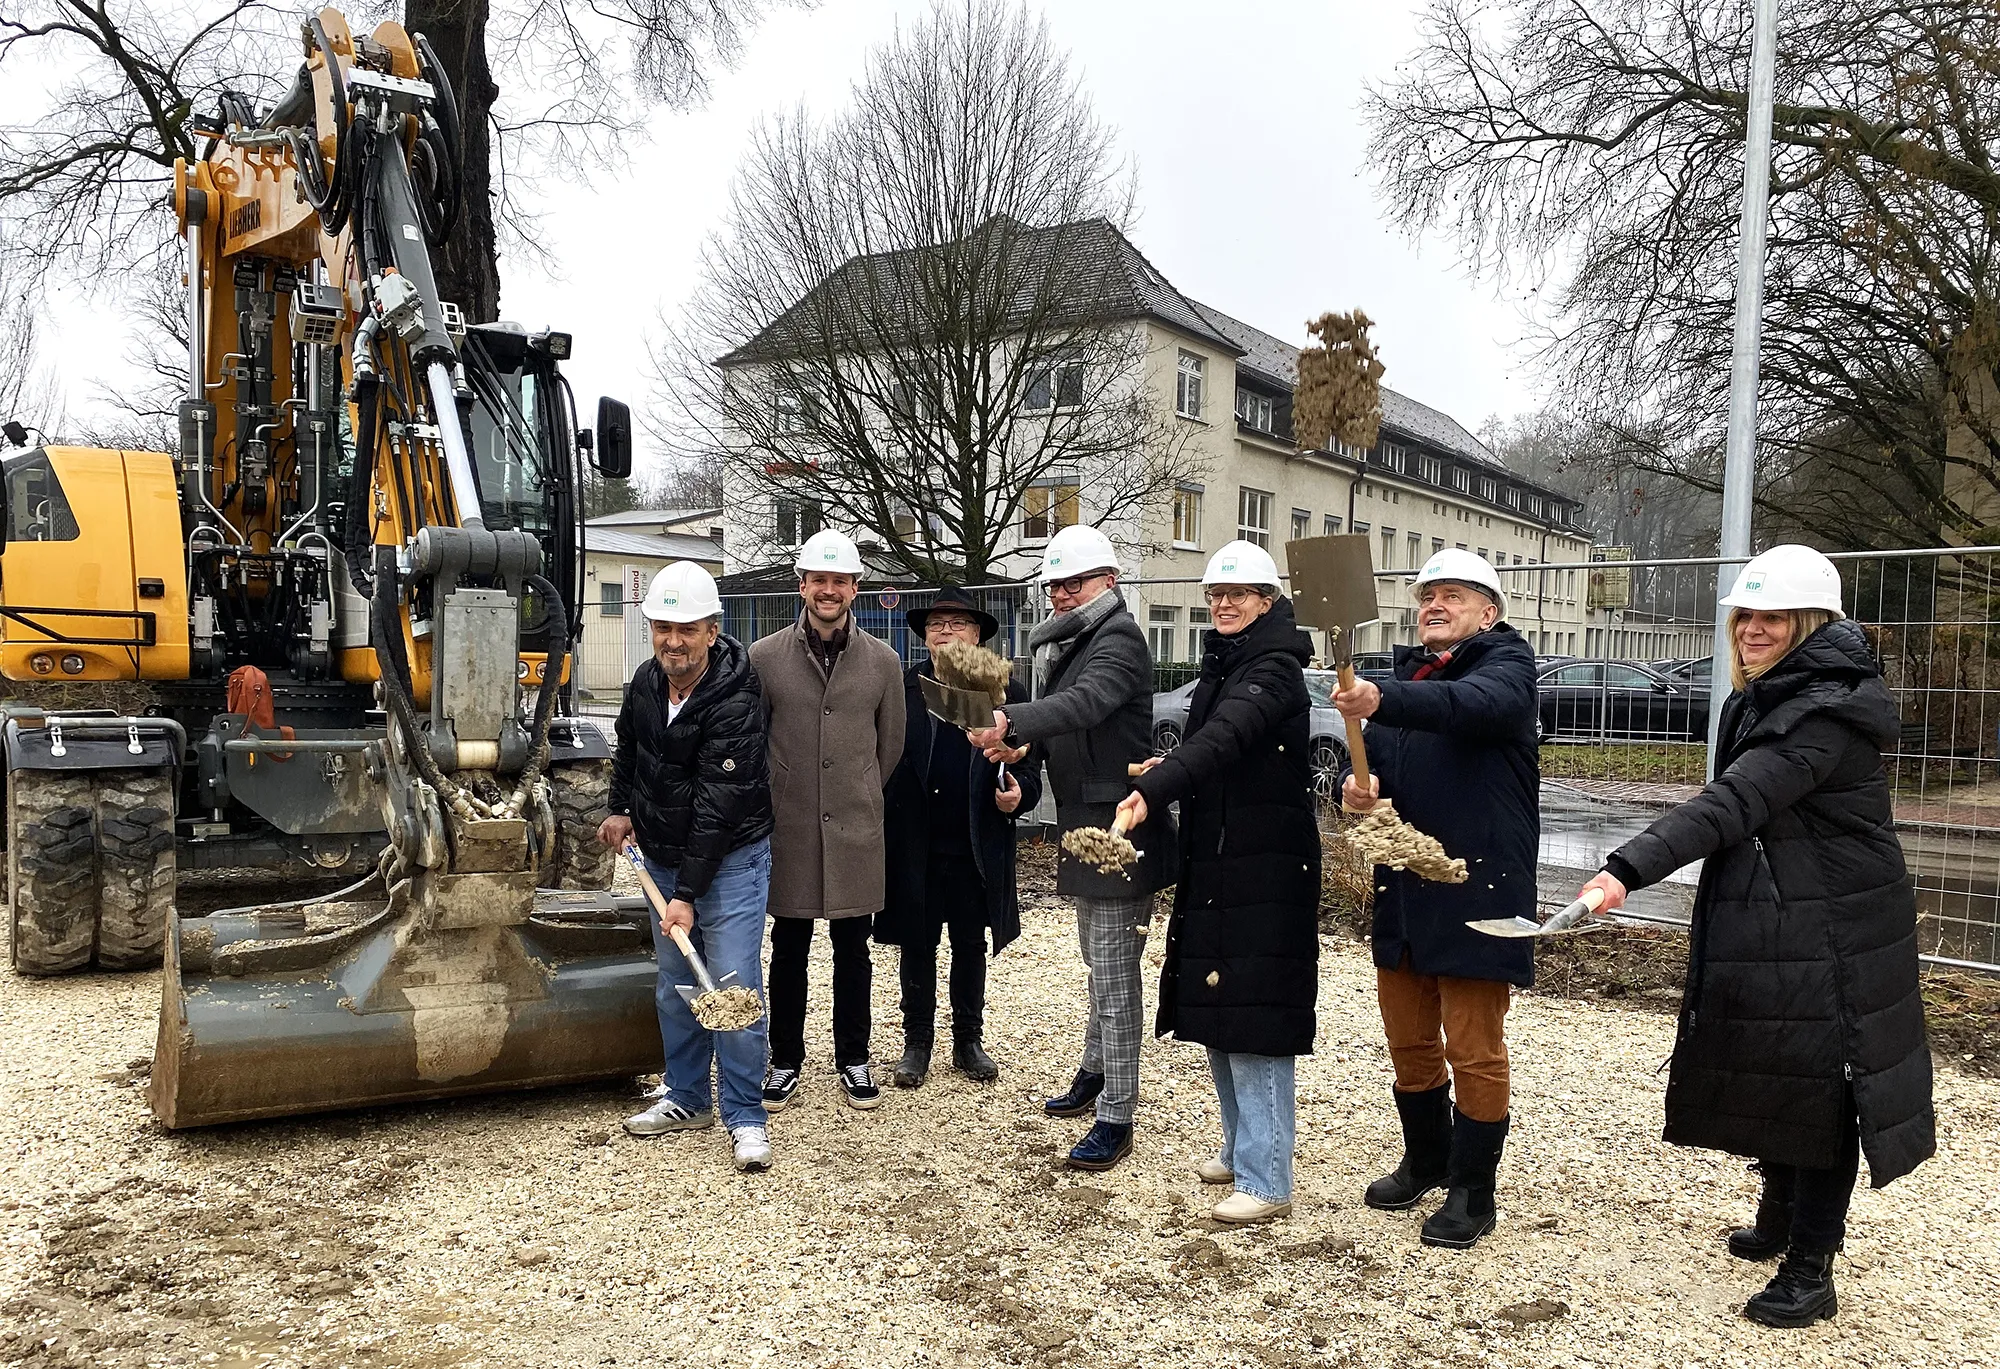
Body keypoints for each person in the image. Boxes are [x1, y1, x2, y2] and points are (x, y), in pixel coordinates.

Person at [1574, 544, 1934, 1329]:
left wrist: (1623, 870)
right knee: (1779, 1064)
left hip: (1840, 925)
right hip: (1789, 914)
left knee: (1825, 1087)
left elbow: (1732, 802)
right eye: (1747, 617)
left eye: (1773, 617)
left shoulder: (1824, 713)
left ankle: (1812, 1265)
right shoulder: (1773, 696)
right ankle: (1779, 1218)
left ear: (1809, 624)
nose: (1754, 631)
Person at [1332, 548, 1538, 1249]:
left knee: (1474, 1047)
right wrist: (1358, 793)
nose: (1434, 605)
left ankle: (1473, 1190)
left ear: (1490, 611)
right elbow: (1376, 780)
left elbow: (1469, 706)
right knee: (1409, 1038)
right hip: (1406, 883)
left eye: (1453, 594)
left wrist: (1383, 697)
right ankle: (1425, 1158)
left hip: (1480, 885)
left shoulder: (1507, 669)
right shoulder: (1403, 682)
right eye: (1427, 596)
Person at [1115, 542, 1320, 1224]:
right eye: (1216, 594)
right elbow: (1210, 746)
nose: (1224, 603)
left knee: (1258, 1016)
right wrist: (1165, 764)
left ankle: (1268, 1179)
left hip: (1266, 863)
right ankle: (1239, 1148)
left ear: (1267, 600)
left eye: (1240, 593)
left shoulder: (1275, 669)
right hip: (1225, 858)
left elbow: (1226, 738)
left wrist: (1162, 783)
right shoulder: (1226, 664)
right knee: (1220, 1005)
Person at [970, 524, 1172, 1171]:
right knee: (1097, 961)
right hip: (1088, 824)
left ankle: (1118, 1114)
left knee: (1114, 977)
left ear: (1107, 582)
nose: (1060, 593)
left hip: (1119, 828)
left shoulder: (1117, 640)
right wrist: (1026, 745)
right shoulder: (1082, 637)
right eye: (1055, 583)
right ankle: (1095, 1071)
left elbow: (1087, 704)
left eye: (1073, 582)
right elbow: (1077, 719)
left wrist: (1014, 723)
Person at [599, 561, 776, 1171]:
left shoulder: (735, 699)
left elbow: (718, 808)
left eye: (687, 629)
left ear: (712, 630)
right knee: (676, 985)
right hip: (664, 858)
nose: (673, 641)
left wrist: (688, 894)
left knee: (729, 984)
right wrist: (620, 809)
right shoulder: (646, 683)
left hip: (728, 862)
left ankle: (747, 1115)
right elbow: (630, 749)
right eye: (662, 628)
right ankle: (687, 1096)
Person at [749, 529, 906, 1111]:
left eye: (840, 581)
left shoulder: (883, 663)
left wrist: (857, 789)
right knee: (788, 946)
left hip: (855, 830)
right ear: (802, 587)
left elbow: (889, 748)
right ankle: (784, 1059)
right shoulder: (764, 659)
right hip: (789, 828)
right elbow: (755, 737)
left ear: (856, 589)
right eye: (820, 580)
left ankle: (854, 1058)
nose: (829, 591)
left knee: (853, 949)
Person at [877, 586, 1043, 1087]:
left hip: (977, 840)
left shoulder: (1007, 694)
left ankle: (969, 1040)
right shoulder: (905, 689)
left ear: (977, 635)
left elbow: (1030, 770)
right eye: (936, 625)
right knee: (917, 942)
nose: (945, 631)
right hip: (916, 842)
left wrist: (1021, 795)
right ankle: (917, 1042)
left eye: (957, 623)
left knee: (971, 944)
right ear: (925, 637)